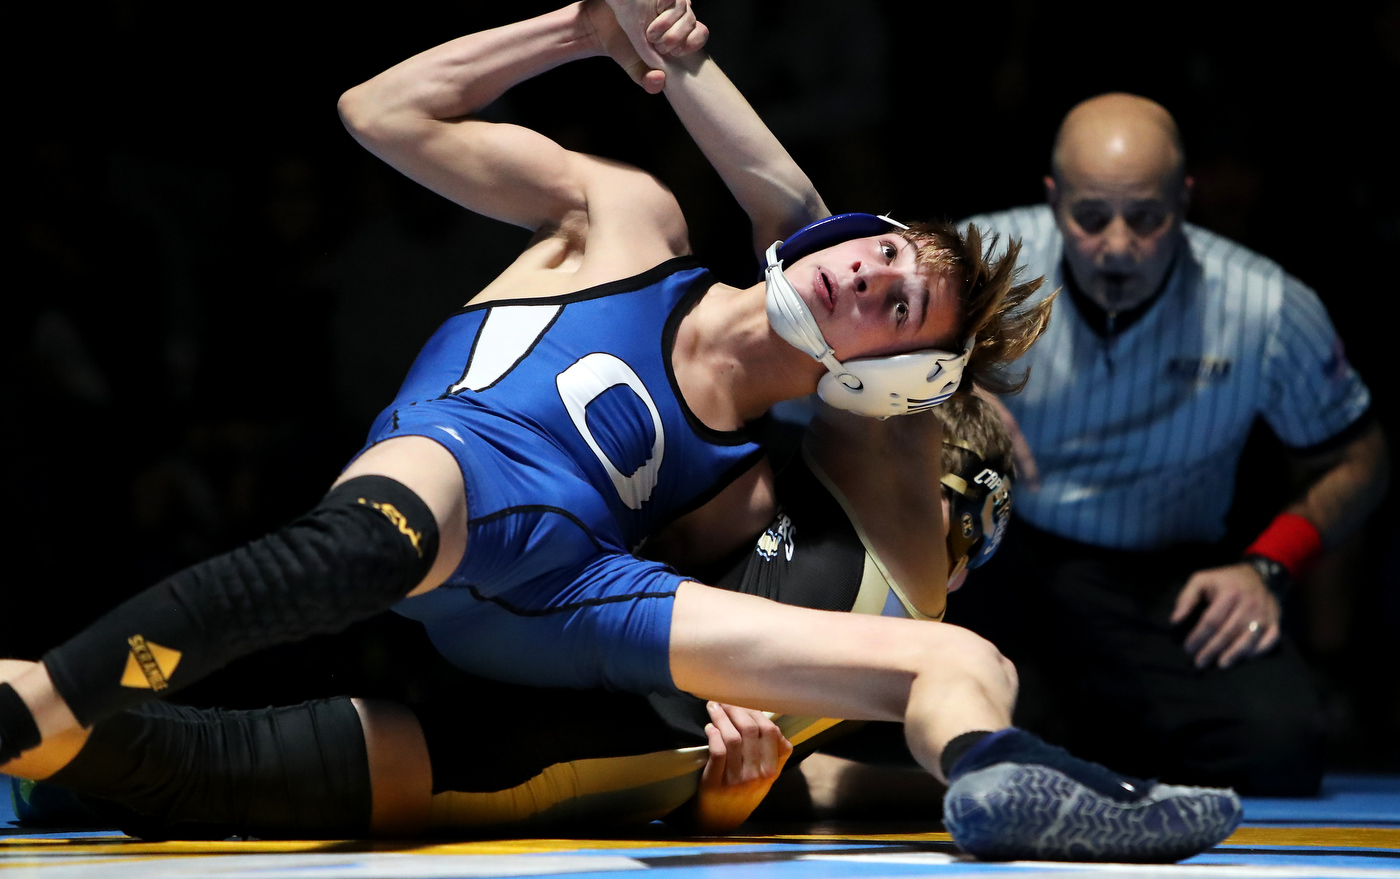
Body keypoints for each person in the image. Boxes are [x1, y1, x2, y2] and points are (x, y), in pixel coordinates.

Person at [0, 0, 1237, 862]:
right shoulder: (630, 219)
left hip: (579, 598)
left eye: (898, 294)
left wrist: (725, 802)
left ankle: (1016, 779)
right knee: (389, 527)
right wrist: (598, 28)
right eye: (881, 246)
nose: (871, 268)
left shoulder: (774, 478)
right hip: (461, 470)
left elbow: (811, 761)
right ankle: (49, 696)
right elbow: (379, 111)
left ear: (888, 379)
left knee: (959, 658)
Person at [2, 396, 1013, 838]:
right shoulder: (779, 511)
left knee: (146, 755)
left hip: (458, 746)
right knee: (148, 743)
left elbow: (783, 783)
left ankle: (46, 780)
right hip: (458, 726)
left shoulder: (867, 660)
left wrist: (729, 798)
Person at [958, 92, 1390, 795]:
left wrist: (1270, 565)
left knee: (1280, 746)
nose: (1119, 245)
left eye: (1148, 218)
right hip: (995, 558)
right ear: (1052, 199)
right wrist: (939, 393)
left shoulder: (1266, 306)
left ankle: (1070, 732)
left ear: (1185, 201)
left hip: (1162, 573)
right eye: (1091, 218)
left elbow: (1361, 457)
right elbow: (821, 369)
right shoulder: (973, 262)